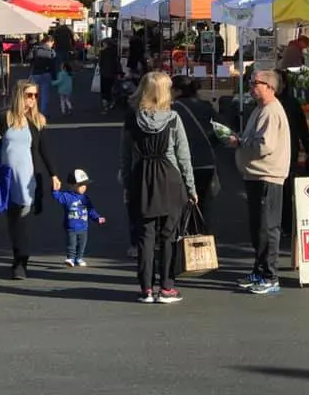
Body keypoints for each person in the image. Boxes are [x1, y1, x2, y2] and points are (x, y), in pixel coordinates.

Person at [120, 71, 197, 305]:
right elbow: (183, 157)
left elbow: (125, 155)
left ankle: (146, 289)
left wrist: (127, 182)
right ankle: (167, 287)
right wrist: (191, 187)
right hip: (170, 179)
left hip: (142, 177)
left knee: (145, 236)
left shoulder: (132, 118)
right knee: (169, 235)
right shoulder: (173, 118)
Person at [227, 69, 291, 295]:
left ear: (270, 87)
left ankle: (270, 275)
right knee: (258, 227)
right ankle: (259, 269)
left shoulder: (271, 111)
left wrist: (240, 143)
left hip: (268, 175)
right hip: (256, 174)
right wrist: (242, 140)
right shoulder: (261, 109)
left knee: (267, 227)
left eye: (257, 83)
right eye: (251, 83)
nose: (252, 87)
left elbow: (265, 146)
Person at [0, 81, 61, 280]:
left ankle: (21, 262)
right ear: (19, 95)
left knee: (24, 218)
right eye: (29, 95)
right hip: (6, 176)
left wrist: (53, 174)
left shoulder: (37, 120)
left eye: (35, 95)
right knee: (13, 219)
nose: (32, 99)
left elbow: (43, 149)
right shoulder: (4, 116)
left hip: (28, 177)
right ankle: (17, 255)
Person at [171, 75, 220, 232]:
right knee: (203, 205)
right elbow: (223, 131)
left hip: (183, 163)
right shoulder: (205, 106)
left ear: (177, 90)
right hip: (206, 161)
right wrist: (210, 144)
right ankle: (202, 238)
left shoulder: (174, 110)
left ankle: (185, 238)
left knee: (183, 204)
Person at [274, 69, 309, 237]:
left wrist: (308, 148)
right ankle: (276, 223)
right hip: (272, 151)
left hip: (289, 149)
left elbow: (302, 127)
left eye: (277, 82)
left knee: (286, 187)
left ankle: (286, 225)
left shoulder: (292, 103)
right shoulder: (265, 102)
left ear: (284, 84)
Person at [52, 168, 105, 267]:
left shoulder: (85, 198)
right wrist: (55, 189)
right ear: (72, 185)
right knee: (71, 243)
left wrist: (97, 218)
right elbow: (57, 196)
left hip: (84, 227)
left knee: (82, 244)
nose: (84, 187)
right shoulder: (67, 196)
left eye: (85, 185)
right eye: (81, 185)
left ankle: (79, 258)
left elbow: (90, 210)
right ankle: (70, 258)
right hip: (71, 227)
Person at [29, 35, 57, 115]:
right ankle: (43, 113)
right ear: (50, 42)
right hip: (46, 74)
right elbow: (53, 66)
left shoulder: (35, 49)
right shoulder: (52, 52)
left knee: (33, 93)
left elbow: (29, 59)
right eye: (52, 43)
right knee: (45, 95)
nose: (52, 45)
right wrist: (54, 77)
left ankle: (32, 111)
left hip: (35, 73)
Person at [98, 38, 121, 114]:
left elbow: (100, 63)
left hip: (104, 73)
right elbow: (117, 63)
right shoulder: (114, 53)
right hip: (113, 73)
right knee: (112, 89)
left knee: (104, 90)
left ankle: (105, 108)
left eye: (103, 44)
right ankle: (112, 102)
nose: (103, 45)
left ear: (106, 44)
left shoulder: (102, 52)